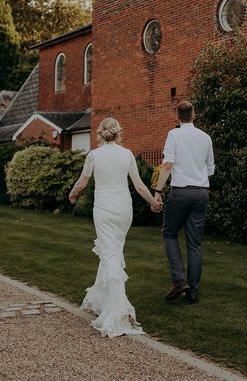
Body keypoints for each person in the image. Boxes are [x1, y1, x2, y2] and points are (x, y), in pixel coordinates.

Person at [68, 117, 162, 338]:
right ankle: (100, 299)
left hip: (103, 208)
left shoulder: (94, 155)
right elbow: (138, 185)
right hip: (124, 209)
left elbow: (82, 182)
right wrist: (153, 202)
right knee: (113, 252)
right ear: (118, 132)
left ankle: (118, 312)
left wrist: (73, 193)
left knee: (110, 255)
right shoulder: (127, 154)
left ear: (100, 133)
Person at [153, 100, 214, 305]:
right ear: (194, 115)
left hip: (180, 192)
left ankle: (179, 280)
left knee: (169, 232)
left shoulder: (174, 135)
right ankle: (193, 292)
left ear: (177, 117)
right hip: (201, 193)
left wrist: (158, 190)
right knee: (195, 243)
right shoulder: (205, 138)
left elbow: (168, 164)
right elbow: (210, 169)